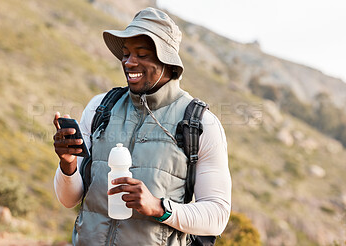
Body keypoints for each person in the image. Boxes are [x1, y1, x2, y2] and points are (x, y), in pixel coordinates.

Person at [53, 7, 231, 246]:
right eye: (125, 53)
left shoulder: (200, 124)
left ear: (167, 61)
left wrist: (159, 208)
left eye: (142, 54)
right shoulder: (100, 107)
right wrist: (68, 164)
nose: (129, 62)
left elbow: (217, 216)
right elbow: (68, 199)